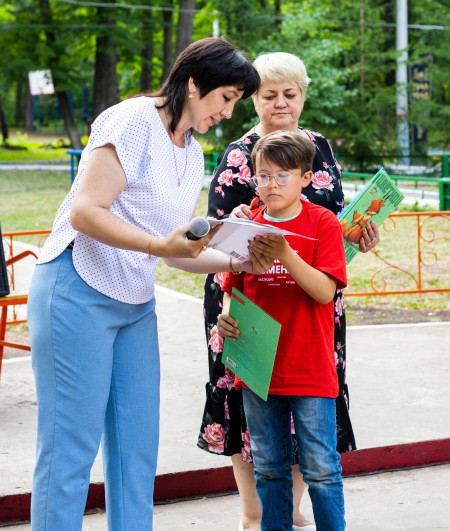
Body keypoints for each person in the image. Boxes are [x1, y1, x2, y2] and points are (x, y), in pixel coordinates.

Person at [26, 37, 271, 531]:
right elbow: (86, 211)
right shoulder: (132, 120)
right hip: (76, 288)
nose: (227, 113)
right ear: (195, 83)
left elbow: (180, 250)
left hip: (135, 304)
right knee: (70, 447)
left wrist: (237, 261)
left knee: (136, 448)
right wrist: (161, 247)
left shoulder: (192, 154)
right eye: (225, 98)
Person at [198, 52, 379, 531]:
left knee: (311, 411)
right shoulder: (240, 156)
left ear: (302, 96)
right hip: (247, 299)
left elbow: (329, 223)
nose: (280, 103)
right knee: (252, 403)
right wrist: (243, 238)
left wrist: (355, 233)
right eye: (268, 94)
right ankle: (254, 512)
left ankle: (294, 507)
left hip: (313, 298)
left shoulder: (318, 147)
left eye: (289, 94)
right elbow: (220, 236)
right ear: (253, 99)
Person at [218, 130, 347, 531]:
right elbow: (231, 289)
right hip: (258, 370)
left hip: (309, 367)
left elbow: (325, 292)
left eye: (282, 176)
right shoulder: (247, 226)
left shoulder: (322, 223)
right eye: (263, 176)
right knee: (270, 468)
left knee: (321, 468)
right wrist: (226, 317)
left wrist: (285, 253)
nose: (271, 185)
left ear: (306, 178)